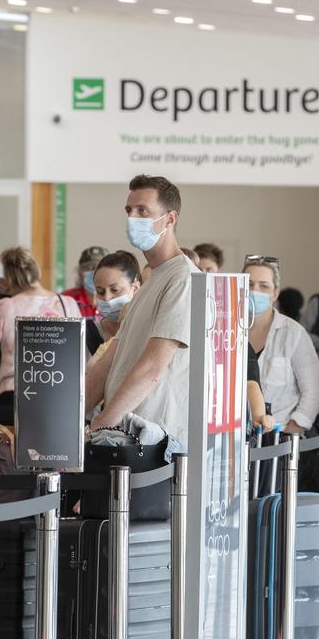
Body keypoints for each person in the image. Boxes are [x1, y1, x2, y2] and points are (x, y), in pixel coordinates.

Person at [86, 175, 197, 446]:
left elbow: (152, 367)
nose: (132, 218)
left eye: (143, 211)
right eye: (129, 210)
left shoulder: (182, 278)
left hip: (151, 439)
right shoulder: (152, 280)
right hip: (121, 431)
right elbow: (111, 359)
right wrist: (71, 419)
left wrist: (100, 425)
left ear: (170, 219)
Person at [0, 247, 81, 405]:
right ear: (36, 270)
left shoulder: (5, 306)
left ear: (9, 278)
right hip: (59, 390)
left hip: (14, 390)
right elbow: (78, 352)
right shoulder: (67, 304)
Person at [245, 256, 319, 434]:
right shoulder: (227, 332)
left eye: (264, 286)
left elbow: (313, 394)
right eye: (249, 285)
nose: (255, 291)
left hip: (281, 436)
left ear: (275, 293)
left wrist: (291, 432)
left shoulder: (294, 334)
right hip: (235, 437)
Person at [92, 249, 142, 346]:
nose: (106, 298)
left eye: (115, 290)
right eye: (100, 291)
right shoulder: (87, 334)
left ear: (135, 288)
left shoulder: (149, 332)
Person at [62, 246, 107, 318]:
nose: (94, 272)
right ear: (79, 272)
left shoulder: (115, 300)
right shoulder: (65, 299)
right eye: (89, 268)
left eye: (99, 268)